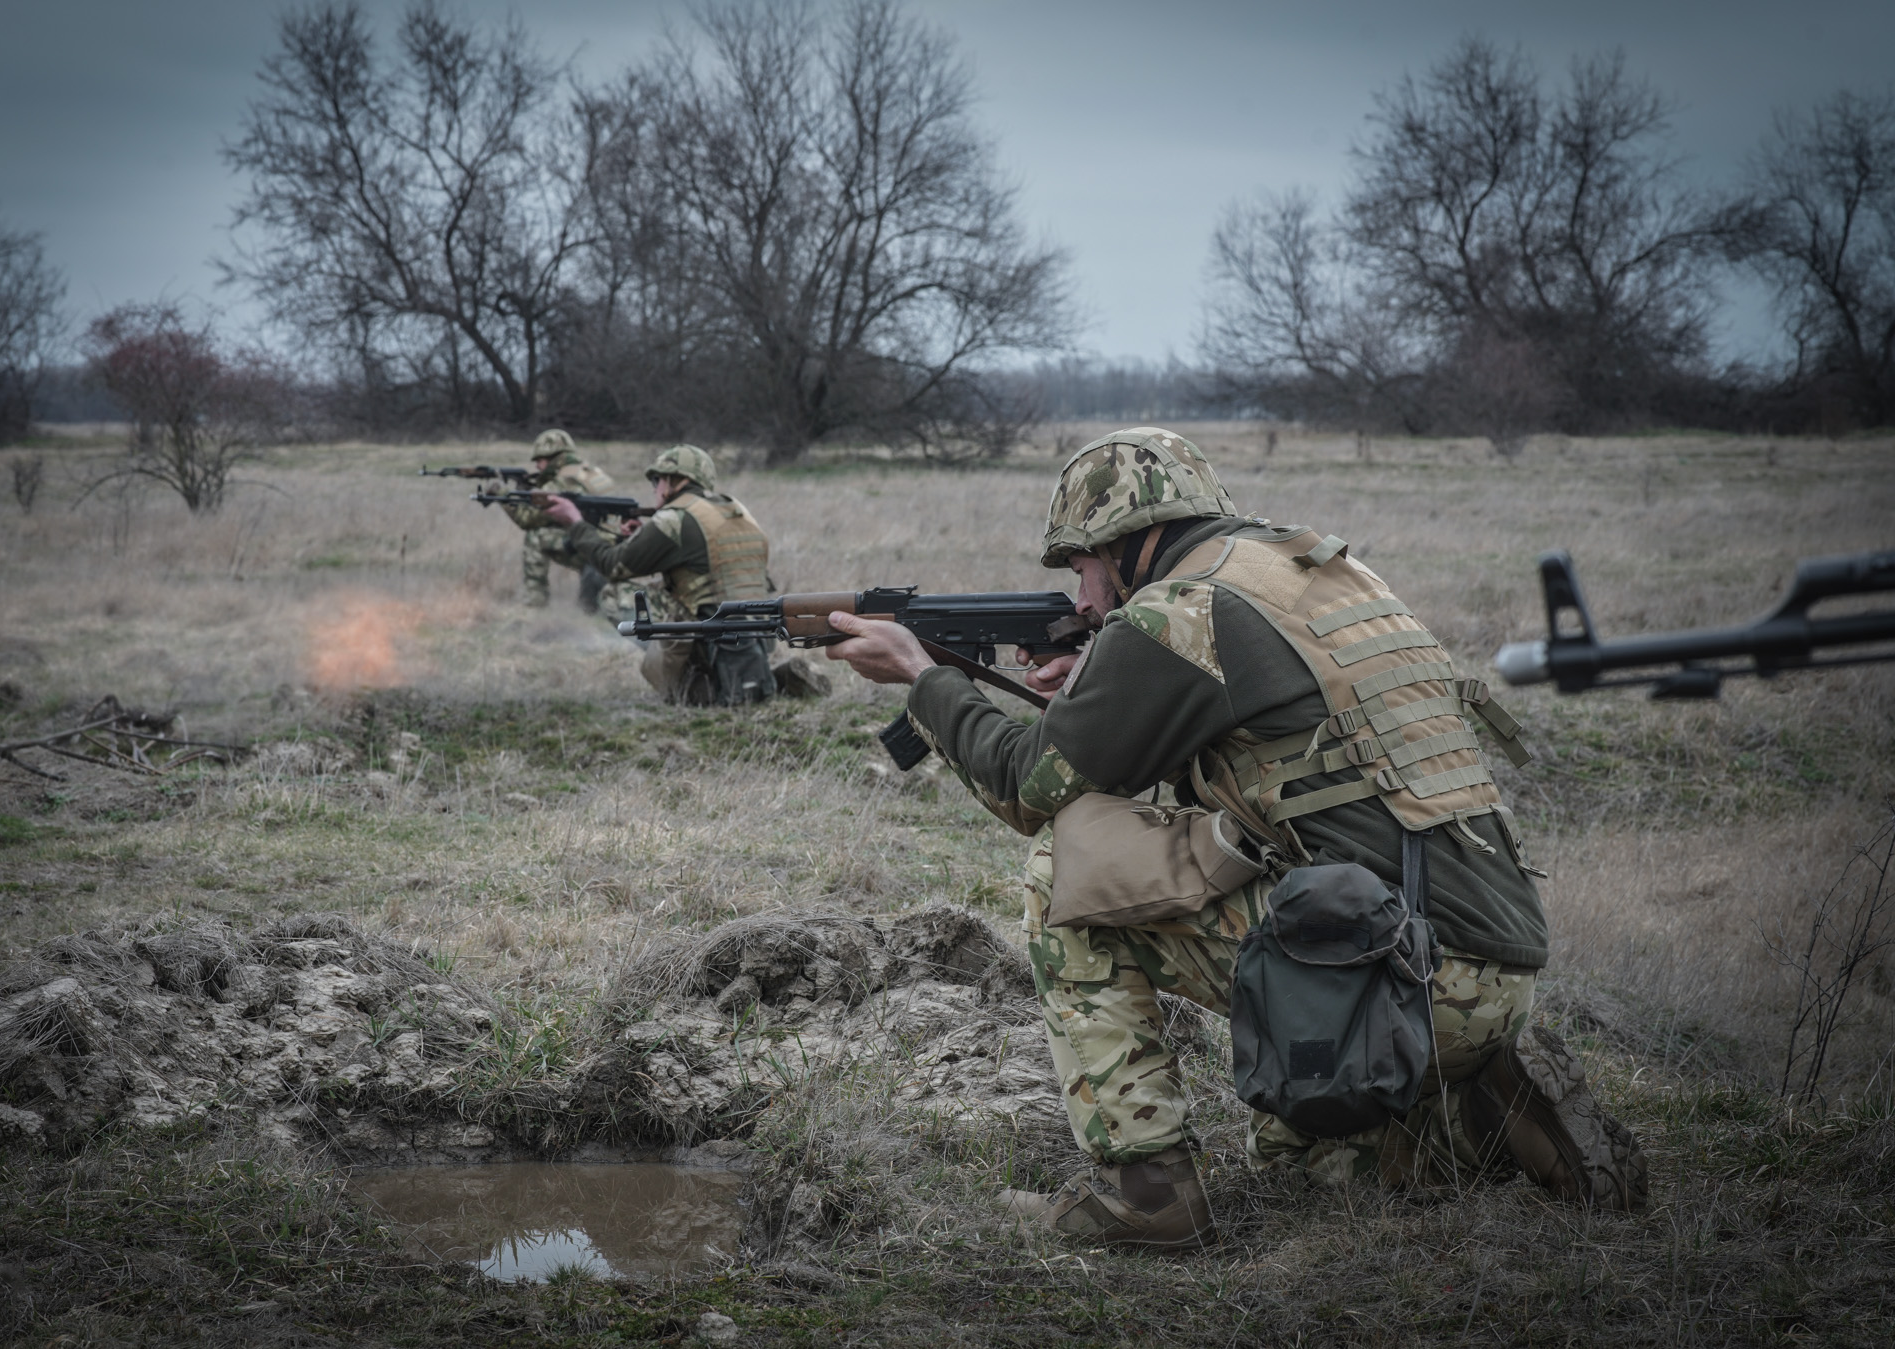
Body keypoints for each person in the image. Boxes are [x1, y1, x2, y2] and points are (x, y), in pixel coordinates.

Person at [821, 426, 1646, 1248]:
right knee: (1301, 1165)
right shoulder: (1307, 571)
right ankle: (1488, 1110)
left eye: (1080, 565)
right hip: (1486, 964)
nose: (1080, 598)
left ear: (1128, 542)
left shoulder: (1180, 612)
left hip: (1399, 973)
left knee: (1064, 871)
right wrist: (1101, 684)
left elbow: (1029, 787)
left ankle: (1147, 1195)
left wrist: (924, 680)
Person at [541, 443, 779, 706]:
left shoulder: (673, 519)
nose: (654, 488)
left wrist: (574, 522)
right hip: (757, 637)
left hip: (712, 637)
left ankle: (689, 680)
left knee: (613, 592)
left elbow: (612, 565)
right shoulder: (736, 510)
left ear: (675, 481)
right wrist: (637, 539)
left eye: (657, 480)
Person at [495, 428, 619, 613]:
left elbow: (527, 519)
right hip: (615, 549)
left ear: (553, 458)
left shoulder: (562, 481)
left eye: (540, 460)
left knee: (535, 537)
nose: (537, 466)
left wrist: (501, 494)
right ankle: (591, 604)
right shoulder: (591, 472)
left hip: (597, 551)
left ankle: (534, 604)